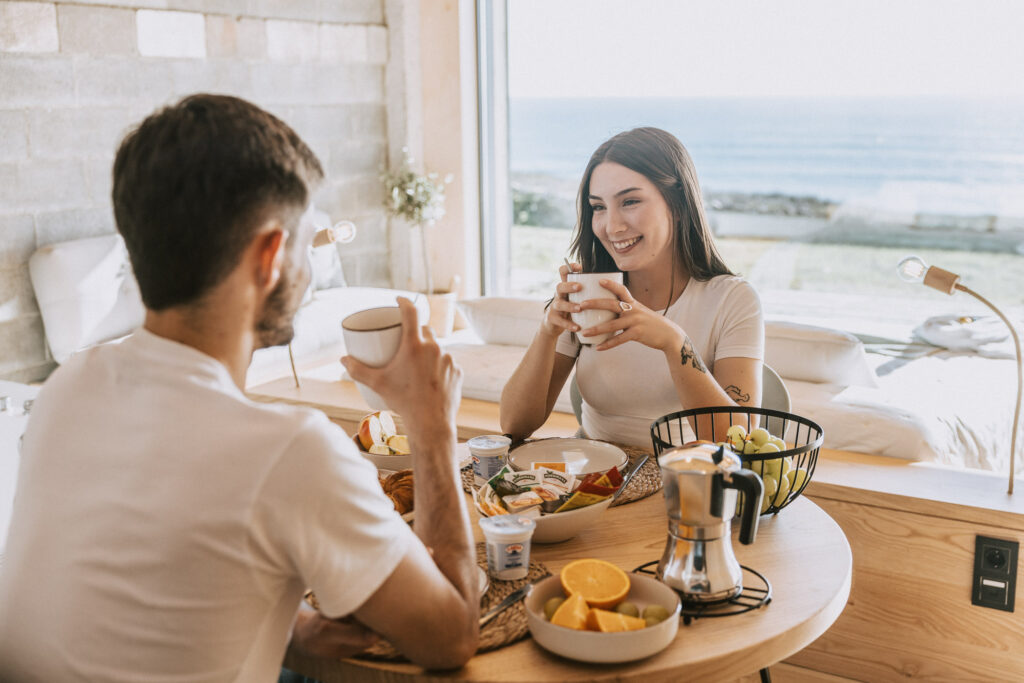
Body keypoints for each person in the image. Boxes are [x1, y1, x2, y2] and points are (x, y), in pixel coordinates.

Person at [0, 94, 479, 682]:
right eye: (309, 245)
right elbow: (450, 635)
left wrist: (294, 630)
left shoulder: (68, 388)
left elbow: (136, 562)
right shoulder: (291, 451)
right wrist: (433, 428)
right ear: (271, 255)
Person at [500, 127, 764, 447]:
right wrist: (547, 331)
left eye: (630, 201)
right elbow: (514, 425)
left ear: (678, 205)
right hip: (597, 480)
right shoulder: (590, 293)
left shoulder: (733, 300)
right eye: (598, 207)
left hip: (686, 482)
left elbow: (739, 441)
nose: (612, 226)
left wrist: (674, 343)